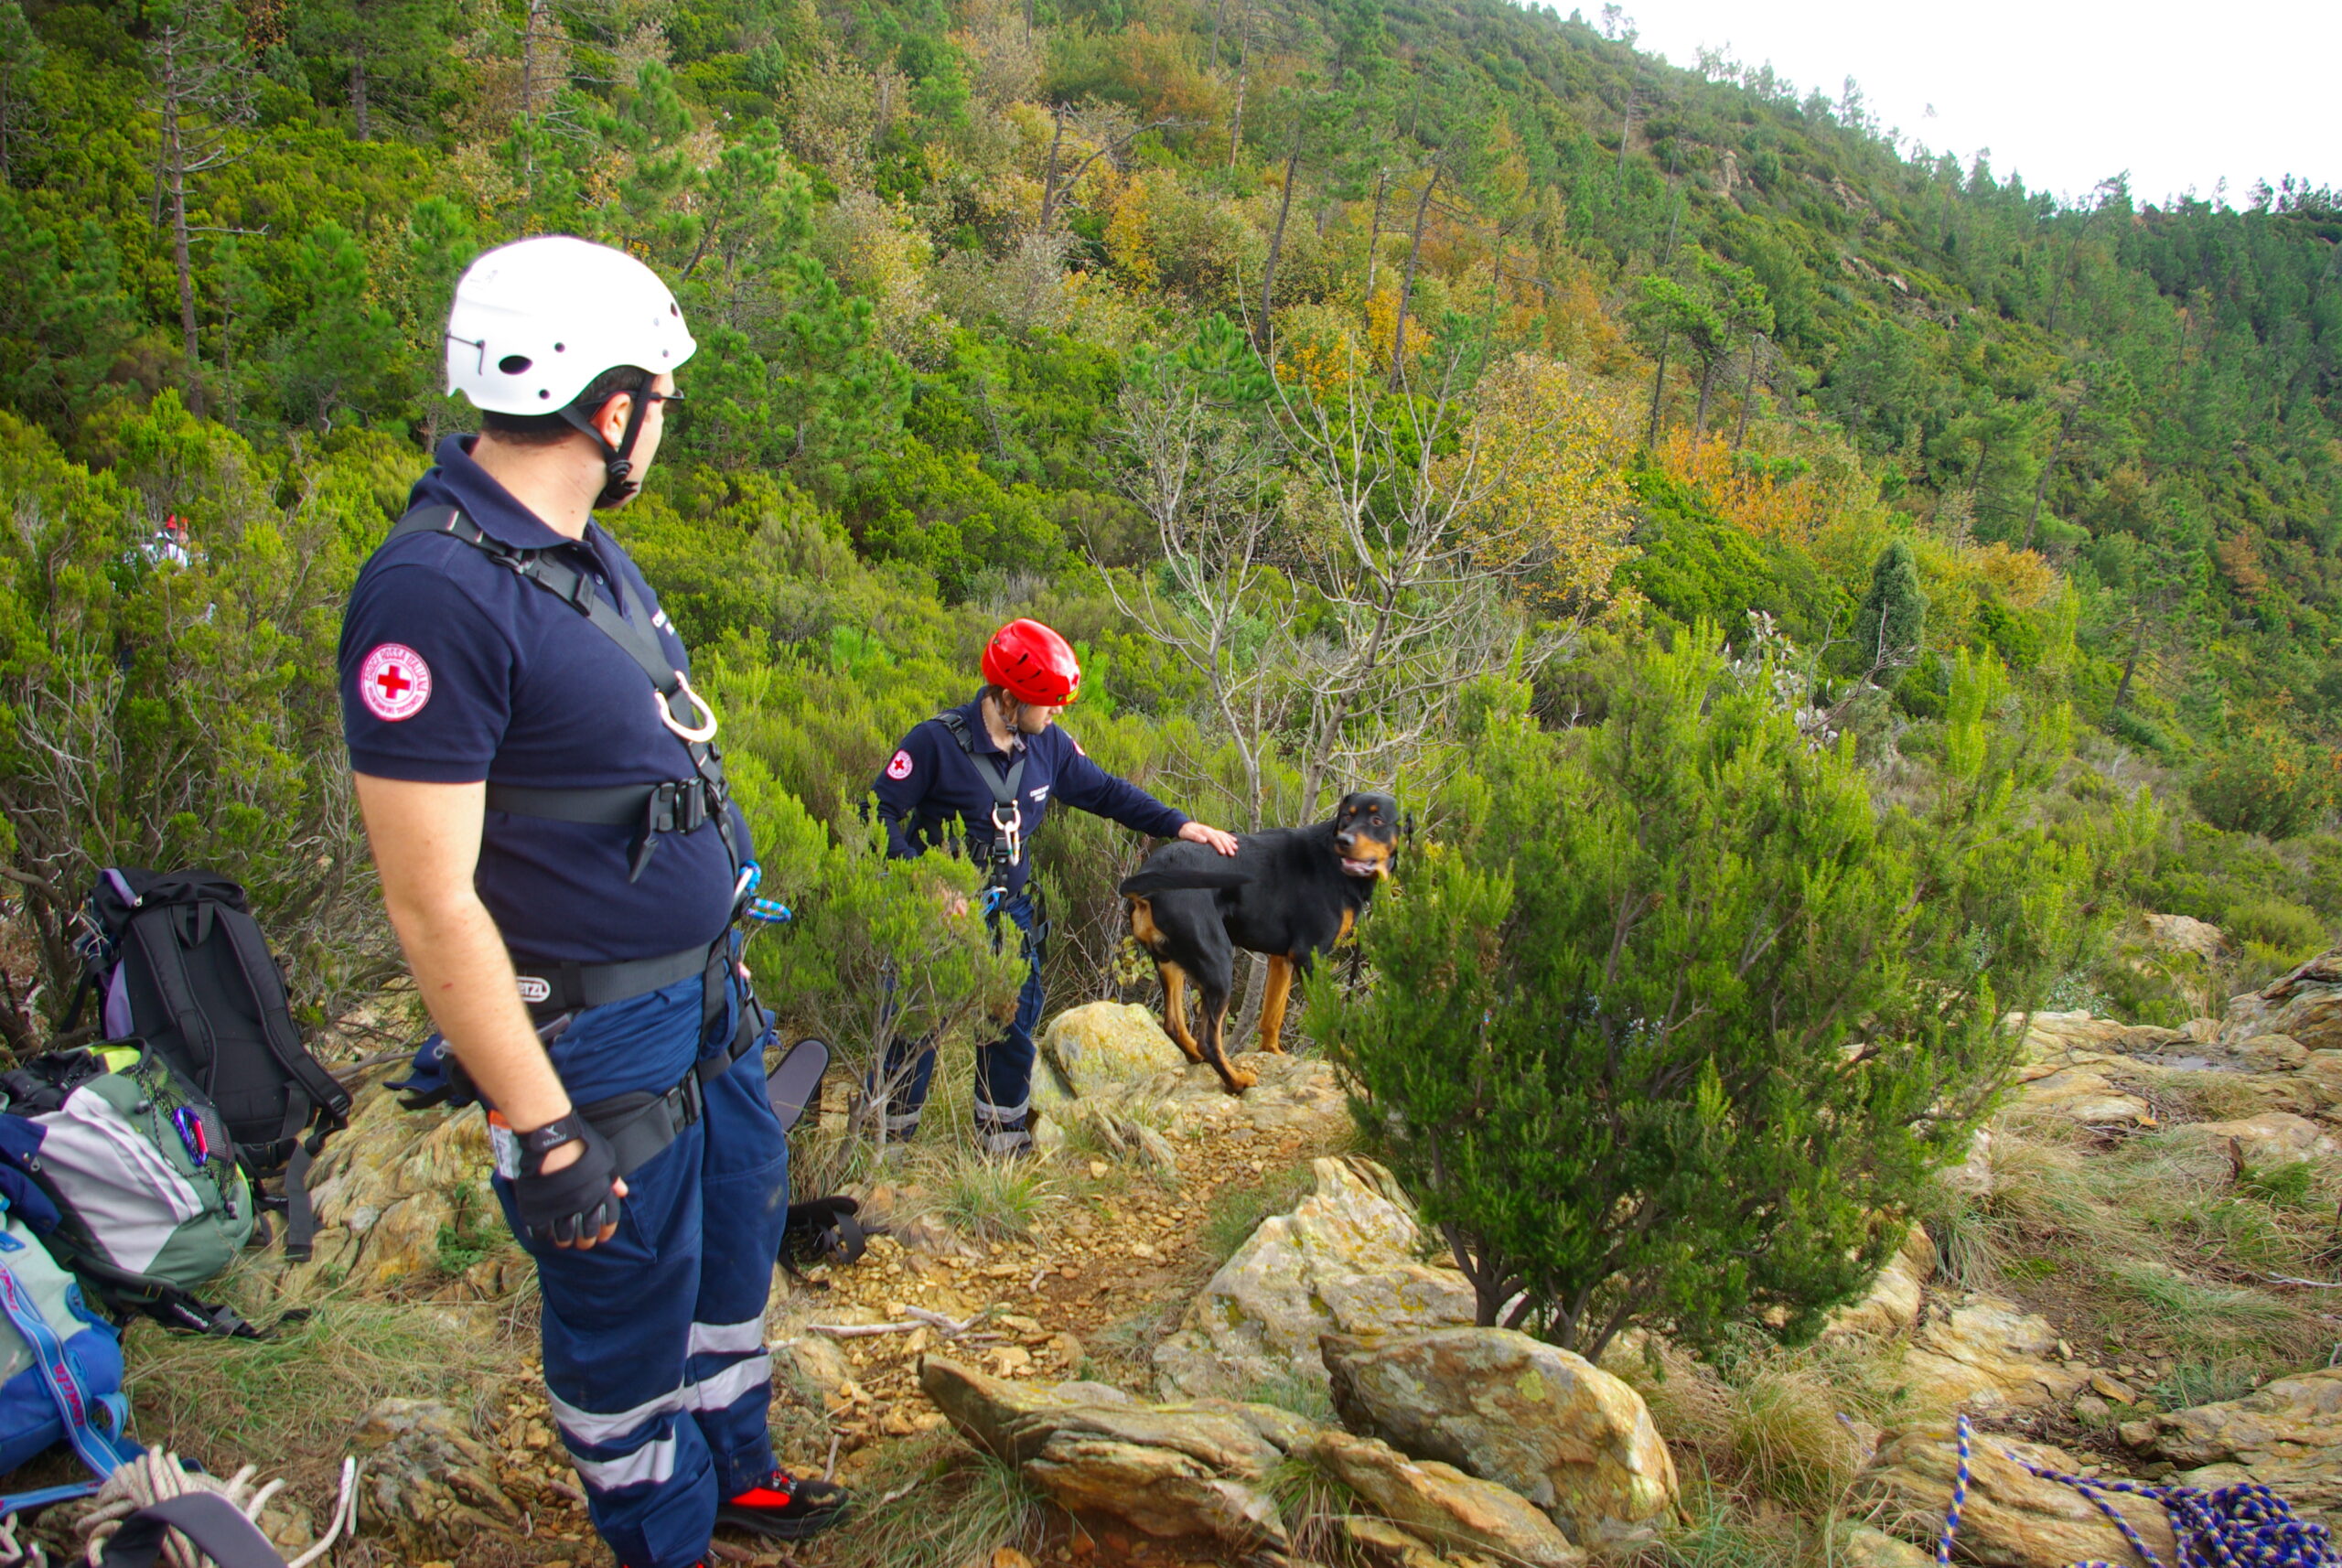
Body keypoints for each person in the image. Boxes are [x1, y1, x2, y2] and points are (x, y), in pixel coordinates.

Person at [338, 235, 847, 1568]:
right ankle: (662, 1538)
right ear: (607, 407)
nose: (664, 424)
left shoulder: (578, 552)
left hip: (700, 998)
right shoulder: (432, 593)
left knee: (730, 1243)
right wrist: (543, 1124)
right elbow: (431, 902)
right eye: (660, 400)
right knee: (625, 1311)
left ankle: (736, 1474)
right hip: (591, 1035)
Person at [868, 618, 1240, 1155]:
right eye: (1048, 702)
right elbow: (877, 814)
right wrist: (925, 881)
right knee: (913, 1027)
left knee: (1012, 1025)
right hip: (939, 918)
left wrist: (1179, 825)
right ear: (1008, 699)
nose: (1058, 712)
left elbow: (1107, 793)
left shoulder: (1049, 745)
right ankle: (886, 1148)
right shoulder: (934, 743)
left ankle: (1002, 1145)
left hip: (1010, 914)